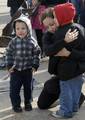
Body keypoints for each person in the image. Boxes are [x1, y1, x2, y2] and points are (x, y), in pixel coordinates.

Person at [39, 2, 85, 118]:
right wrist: (64, 41)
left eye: (52, 23)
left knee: (69, 89)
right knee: (42, 103)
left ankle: (70, 105)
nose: (51, 28)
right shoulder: (49, 36)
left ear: (57, 18)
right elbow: (49, 50)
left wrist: (70, 53)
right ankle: (72, 101)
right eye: (47, 27)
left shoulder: (70, 30)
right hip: (59, 73)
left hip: (69, 71)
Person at [5, 15, 40, 113]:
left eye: (23, 28)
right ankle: (16, 105)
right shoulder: (13, 42)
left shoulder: (32, 42)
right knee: (14, 89)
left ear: (28, 29)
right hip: (15, 70)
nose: (20, 31)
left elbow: (36, 54)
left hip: (28, 70)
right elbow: (8, 53)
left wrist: (35, 65)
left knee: (28, 88)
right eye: (18, 28)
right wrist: (9, 65)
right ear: (15, 30)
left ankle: (28, 103)